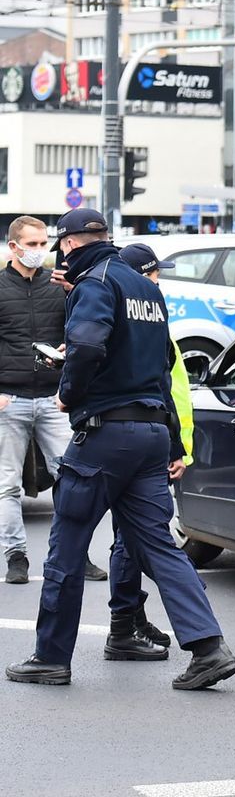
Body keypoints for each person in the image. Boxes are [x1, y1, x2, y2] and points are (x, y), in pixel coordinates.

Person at [5, 208, 235, 690]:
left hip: (106, 433)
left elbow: (87, 347)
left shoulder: (95, 285)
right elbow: (159, 367)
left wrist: (67, 392)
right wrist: (172, 440)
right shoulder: (146, 288)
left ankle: (51, 657)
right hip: (152, 433)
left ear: (69, 244)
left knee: (66, 546)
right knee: (159, 546)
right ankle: (208, 648)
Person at [102, 243, 194, 662]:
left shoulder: (150, 320)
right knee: (135, 540)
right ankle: (126, 622)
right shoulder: (143, 322)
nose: (160, 281)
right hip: (150, 443)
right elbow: (161, 393)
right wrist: (175, 446)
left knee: (134, 538)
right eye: (155, 273)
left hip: (159, 442)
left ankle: (130, 619)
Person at [0, 216, 104, 585]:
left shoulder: (58, 285)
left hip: (53, 397)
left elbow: (81, 333)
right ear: (14, 247)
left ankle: (77, 554)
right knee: (8, 484)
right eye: (32, 244)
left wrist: (72, 290)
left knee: (71, 478)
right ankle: (16, 557)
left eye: (45, 244)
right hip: (9, 399)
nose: (41, 251)